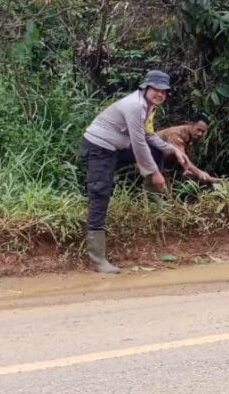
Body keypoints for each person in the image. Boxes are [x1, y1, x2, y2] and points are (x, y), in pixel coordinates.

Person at [79, 70, 187, 274]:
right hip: (99, 148)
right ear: (145, 87)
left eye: (164, 91)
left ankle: (154, 200)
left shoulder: (148, 107)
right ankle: (97, 259)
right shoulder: (135, 106)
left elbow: (149, 136)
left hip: (115, 149)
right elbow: (138, 144)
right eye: (156, 89)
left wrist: (172, 150)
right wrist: (154, 172)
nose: (160, 94)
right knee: (100, 193)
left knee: (155, 149)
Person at [156, 115, 223, 183]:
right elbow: (183, 159)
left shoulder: (188, 137)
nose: (200, 134)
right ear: (190, 124)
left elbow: (183, 158)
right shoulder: (175, 135)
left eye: (203, 132)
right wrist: (199, 172)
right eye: (198, 129)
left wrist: (187, 169)